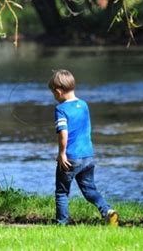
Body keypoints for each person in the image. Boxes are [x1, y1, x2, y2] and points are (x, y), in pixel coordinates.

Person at [48, 69, 118, 226]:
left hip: (71, 157)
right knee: (90, 190)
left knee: (62, 192)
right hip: (87, 155)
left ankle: (62, 223)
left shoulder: (61, 109)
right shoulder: (84, 105)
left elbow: (63, 133)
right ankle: (107, 211)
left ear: (58, 92)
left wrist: (61, 154)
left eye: (53, 93)